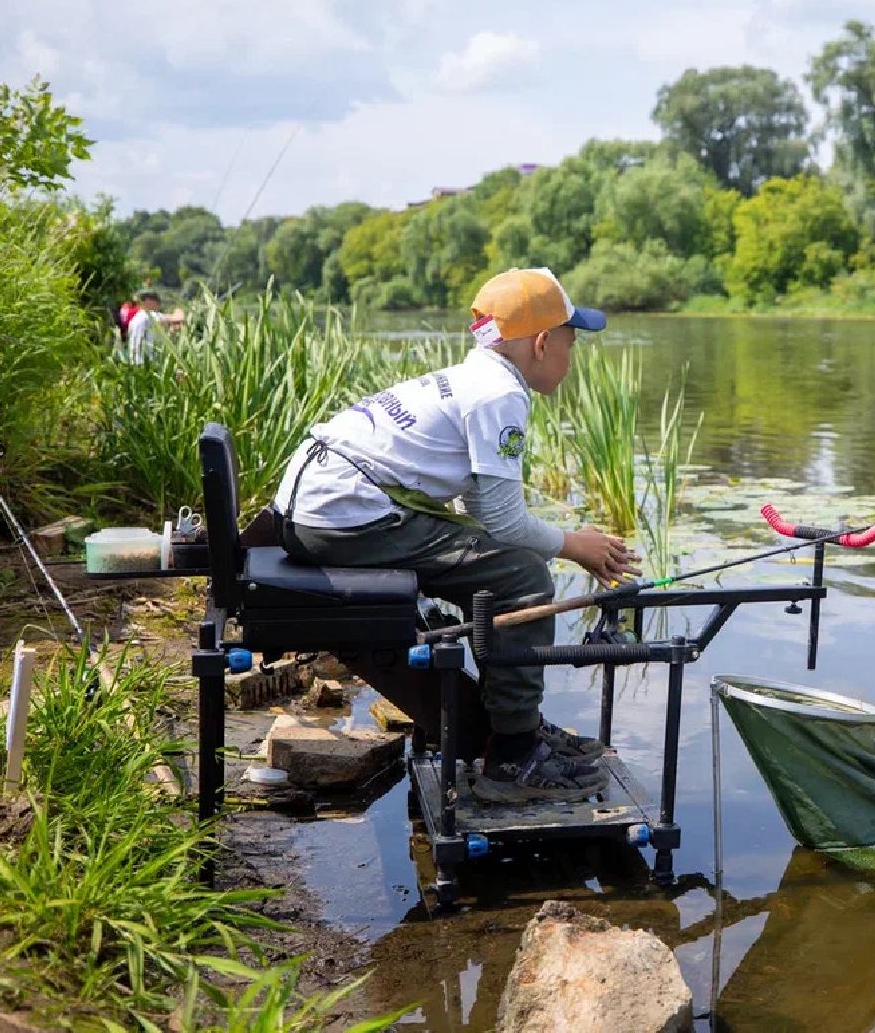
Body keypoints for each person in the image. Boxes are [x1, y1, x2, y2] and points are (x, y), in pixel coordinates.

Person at [272, 267, 641, 805]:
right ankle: (513, 757)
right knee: (522, 575)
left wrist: (554, 537)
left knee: (501, 560)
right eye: (571, 340)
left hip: (320, 509)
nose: (572, 353)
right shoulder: (499, 397)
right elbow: (504, 525)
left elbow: (481, 510)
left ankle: (516, 726)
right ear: (542, 343)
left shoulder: (473, 379)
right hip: (341, 519)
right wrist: (573, 544)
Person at [124, 290, 185, 363]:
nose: (159, 305)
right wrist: (179, 308)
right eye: (157, 301)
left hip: (135, 362)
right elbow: (178, 318)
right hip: (145, 363)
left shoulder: (136, 318)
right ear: (148, 301)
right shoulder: (147, 315)